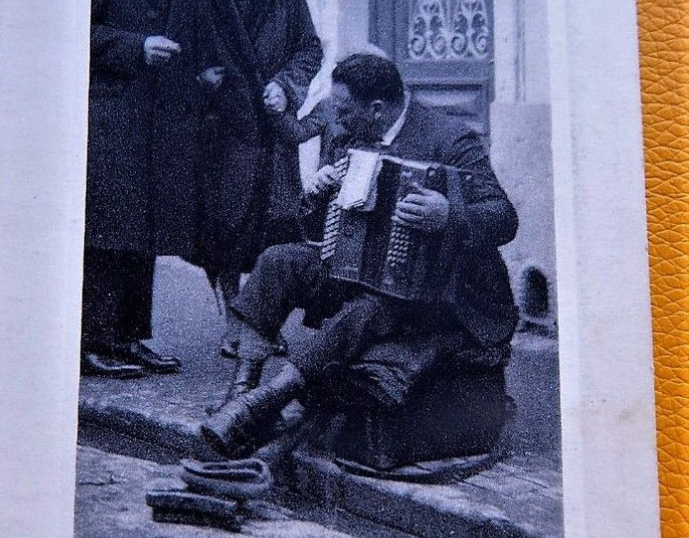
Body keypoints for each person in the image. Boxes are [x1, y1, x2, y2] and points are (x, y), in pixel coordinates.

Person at [201, 52, 519, 460]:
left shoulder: (451, 139)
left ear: (377, 109)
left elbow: (503, 217)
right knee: (279, 261)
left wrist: (448, 213)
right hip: (361, 274)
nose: (338, 120)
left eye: (346, 111)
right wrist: (316, 198)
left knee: (370, 309)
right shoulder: (351, 135)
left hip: (443, 296)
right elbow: (323, 234)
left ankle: (262, 405)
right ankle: (239, 394)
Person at [82, 0, 224, 378]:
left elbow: (191, 33)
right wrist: (136, 46)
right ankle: (93, 342)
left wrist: (203, 69)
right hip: (115, 118)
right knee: (107, 230)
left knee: (141, 231)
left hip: (160, 121)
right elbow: (78, 30)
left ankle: (129, 336)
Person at [190, 0, 323, 353]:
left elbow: (309, 50)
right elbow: (184, 47)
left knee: (276, 230)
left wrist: (287, 84)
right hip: (221, 132)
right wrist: (200, 75)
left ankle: (263, 321)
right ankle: (233, 318)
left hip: (272, 132)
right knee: (223, 232)